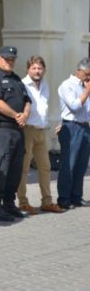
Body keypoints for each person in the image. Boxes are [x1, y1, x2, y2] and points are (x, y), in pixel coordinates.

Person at [0, 46, 31, 221]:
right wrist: (16, 115)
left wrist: (25, 114)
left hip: (17, 130)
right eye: (7, 59)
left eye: (12, 59)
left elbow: (27, 100)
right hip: (2, 130)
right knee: (0, 168)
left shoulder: (17, 80)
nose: (10, 62)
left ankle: (9, 203)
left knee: (15, 170)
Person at [17, 56, 65, 214]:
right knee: (24, 168)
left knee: (45, 167)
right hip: (27, 130)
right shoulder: (22, 85)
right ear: (28, 69)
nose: (37, 71)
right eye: (34, 68)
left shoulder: (45, 85)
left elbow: (46, 108)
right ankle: (23, 202)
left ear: (44, 70)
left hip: (41, 131)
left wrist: (56, 122)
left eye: (40, 68)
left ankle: (47, 201)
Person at [56, 58, 90, 209]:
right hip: (71, 127)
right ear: (79, 71)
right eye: (87, 74)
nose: (89, 78)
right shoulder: (67, 85)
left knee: (81, 165)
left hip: (85, 127)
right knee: (68, 164)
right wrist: (88, 91)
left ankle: (76, 196)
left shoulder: (85, 85)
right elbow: (75, 106)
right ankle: (64, 197)